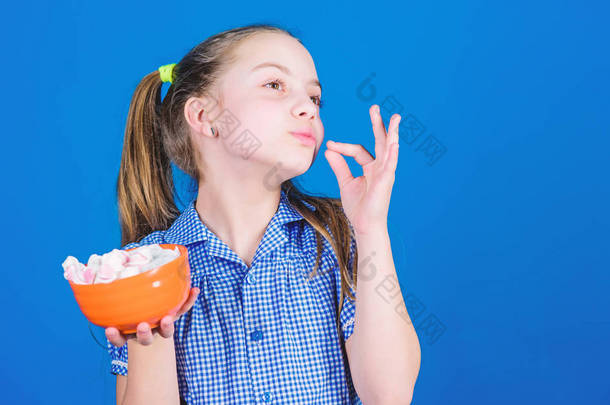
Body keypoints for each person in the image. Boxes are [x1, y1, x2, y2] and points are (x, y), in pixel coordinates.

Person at [105, 23, 419, 405]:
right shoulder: (147, 268)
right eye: (275, 85)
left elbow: (390, 395)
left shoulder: (338, 237)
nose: (308, 107)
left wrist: (371, 230)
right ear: (204, 115)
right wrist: (150, 334)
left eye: (315, 98)